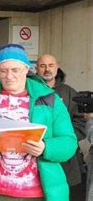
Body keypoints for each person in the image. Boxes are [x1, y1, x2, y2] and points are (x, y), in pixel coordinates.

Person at [0, 44, 78, 200]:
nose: (9, 76)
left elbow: (69, 142)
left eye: (15, 70)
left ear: (26, 69)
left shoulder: (50, 99)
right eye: (3, 70)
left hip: (40, 193)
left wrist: (45, 147)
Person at [36, 54, 86, 200]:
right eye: (42, 66)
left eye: (51, 66)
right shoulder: (29, 91)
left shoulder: (69, 92)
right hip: (35, 153)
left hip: (66, 160)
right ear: (36, 68)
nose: (47, 70)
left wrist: (64, 141)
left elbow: (81, 121)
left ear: (57, 68)